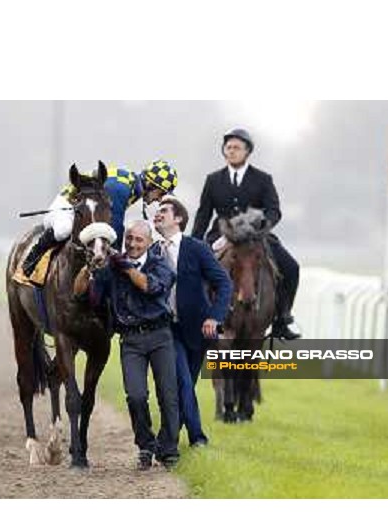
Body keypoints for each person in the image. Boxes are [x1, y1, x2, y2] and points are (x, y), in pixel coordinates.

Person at [74, 220, 179, 470]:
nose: (132, 243)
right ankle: (145, 445)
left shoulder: (160, 264)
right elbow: (80, 294)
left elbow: (150, 286)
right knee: (135, 396)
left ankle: (169, 449)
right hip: (130, 339)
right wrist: (88, 269)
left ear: (149, 243)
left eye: (138, 240)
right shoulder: (112, 267)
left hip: (160, 336)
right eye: (129, 238)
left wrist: (127, 268)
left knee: (168, 395)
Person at [191, 127, 301, 340]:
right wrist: (194, 243)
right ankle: (198, 316)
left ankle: (283, 318)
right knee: (196, 270)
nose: (231, 151)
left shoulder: (263, 179)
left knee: (291, 267)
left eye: (236, 148)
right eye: (228, 147)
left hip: (256, 236)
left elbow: (274, 210)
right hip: (222, 235)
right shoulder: (213, 180)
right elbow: (203, 214)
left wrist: (261, 226)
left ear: (247, 151)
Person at [154, 196, 232, 447]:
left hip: (199, 331)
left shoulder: (196, 248)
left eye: (164, 210)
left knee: (185, 385)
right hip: (167, 330)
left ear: (178, 219)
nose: (158, 214)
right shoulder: (153, 251)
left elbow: (224, 283)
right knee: (183, 382)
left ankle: (169, 437)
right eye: (157, 211)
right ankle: (197, 437)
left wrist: (215, 317)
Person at [21, 160, 178, 277]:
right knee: (64, 230)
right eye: (161, 193)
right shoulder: (121, 188)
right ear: (152, 185)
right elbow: (113, 226)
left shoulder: (132, 186)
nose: (159, 199)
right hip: (67, 204)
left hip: (85, 208)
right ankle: (32, 257)